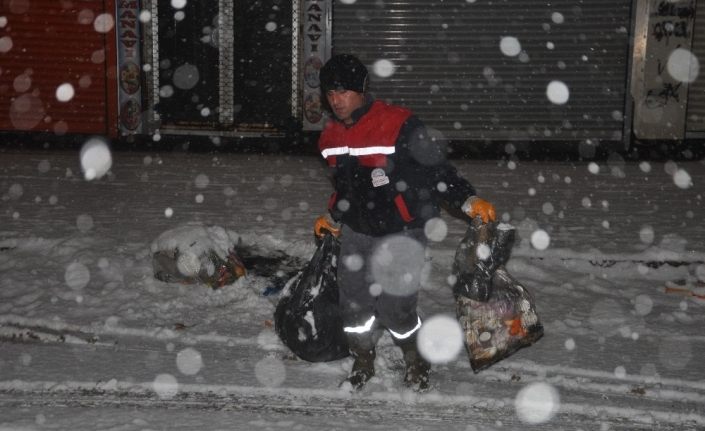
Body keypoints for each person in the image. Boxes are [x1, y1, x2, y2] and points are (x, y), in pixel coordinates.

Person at [312, 54, 496, 391]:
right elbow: (345, 187)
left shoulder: (399, 123)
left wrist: (467, 199)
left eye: (343, 92)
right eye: (330, 93)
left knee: (396, 309)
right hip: (357, 229)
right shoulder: (329, 138)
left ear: (361, 90)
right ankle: (363, 358)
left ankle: (415, 357)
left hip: (402, 229)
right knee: (353, 305)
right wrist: (332, 215)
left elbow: (437, 170)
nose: (336, 100)